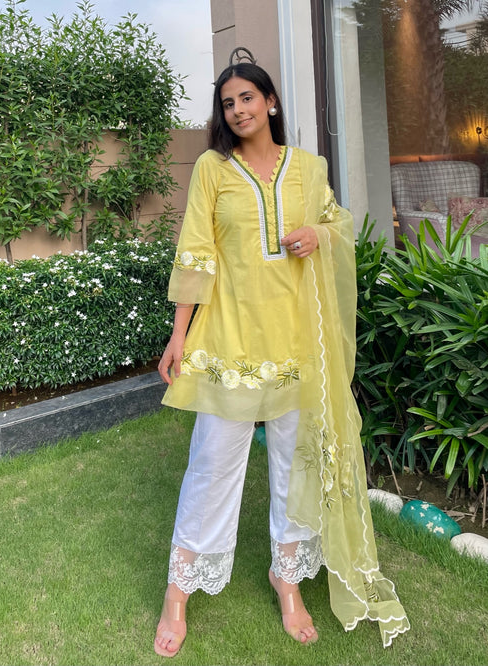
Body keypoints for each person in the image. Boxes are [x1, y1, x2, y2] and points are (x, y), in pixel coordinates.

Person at [154, 60, 410, 658]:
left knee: (298, 464)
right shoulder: (213, 169)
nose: (237, 110)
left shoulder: (309, 169)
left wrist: (319, 236)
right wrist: (179, 334)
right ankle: (178, 591)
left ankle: (286, 577)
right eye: (227, 103)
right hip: (230, 337)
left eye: (247, 98)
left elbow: (337, 224)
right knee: (212, 465)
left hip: (297, 341)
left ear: (270, 101)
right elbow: (196, 251)